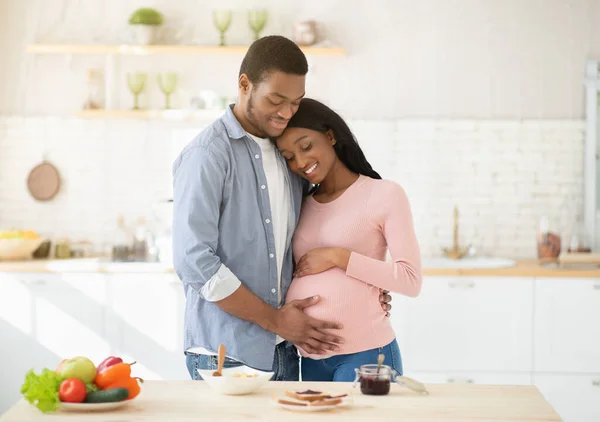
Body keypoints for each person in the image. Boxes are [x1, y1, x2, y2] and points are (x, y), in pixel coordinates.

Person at [171, 36, 392, 381]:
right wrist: (275, 320)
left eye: (295, 101)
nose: (287, 113)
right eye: (276, 100)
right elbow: (194, 262)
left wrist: (364, 290)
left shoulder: (288, 153)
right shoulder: (207, 155)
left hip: (287, 349)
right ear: (244, 85)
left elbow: (308, 240)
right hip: (226, 356)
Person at [274, 98, 423, 382]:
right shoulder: (300, 203)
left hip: (367, 354)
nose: (301, 162)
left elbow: (410, 279)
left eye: (305, 146)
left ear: (330, 135)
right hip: (311, 360)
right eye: (289, 157)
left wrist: (338, 257)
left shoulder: (384, 194)